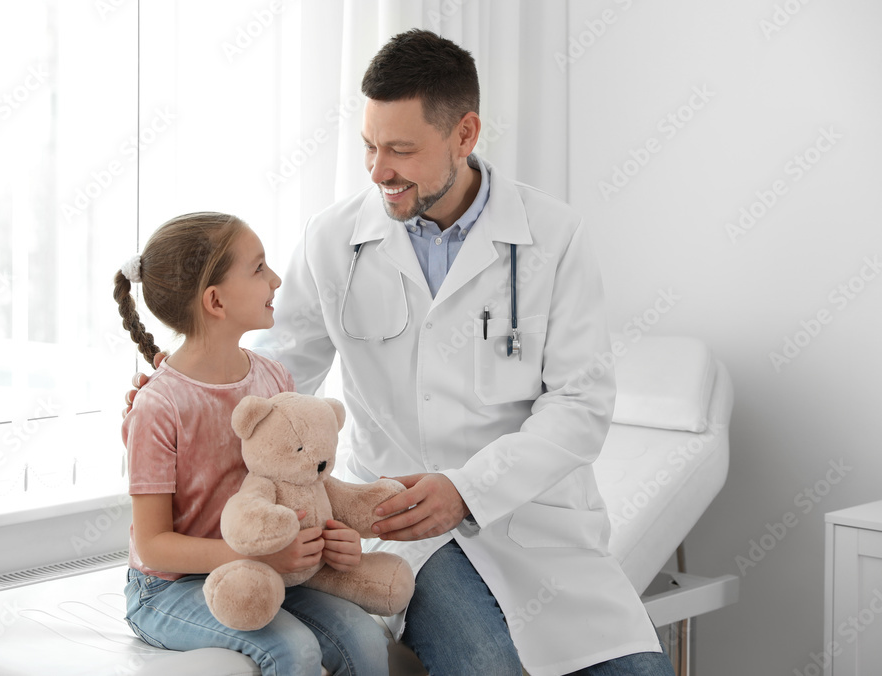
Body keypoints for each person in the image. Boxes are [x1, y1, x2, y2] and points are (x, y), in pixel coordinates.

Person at [128, 31, 675, 676]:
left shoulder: (552, 238)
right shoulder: (336, 239)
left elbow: (581, 405)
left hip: (535, 524)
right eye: (369, 146)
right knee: (487, 664)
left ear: (465, 134)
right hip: (400, 525)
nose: (378, 169)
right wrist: (186, 394)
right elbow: (277, 378)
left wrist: (468, 491)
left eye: (401, 150)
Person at [115, 212, 389, 676]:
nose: (277, 280)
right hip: (170, 589)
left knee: (364, 638)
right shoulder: (159, 405)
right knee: (292, 650)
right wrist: (252, 553)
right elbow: (154, 544)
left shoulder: (274, 378)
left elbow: (301, 480)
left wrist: (331, 534)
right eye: (259, 268)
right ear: (216, 300)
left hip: (268, 571)